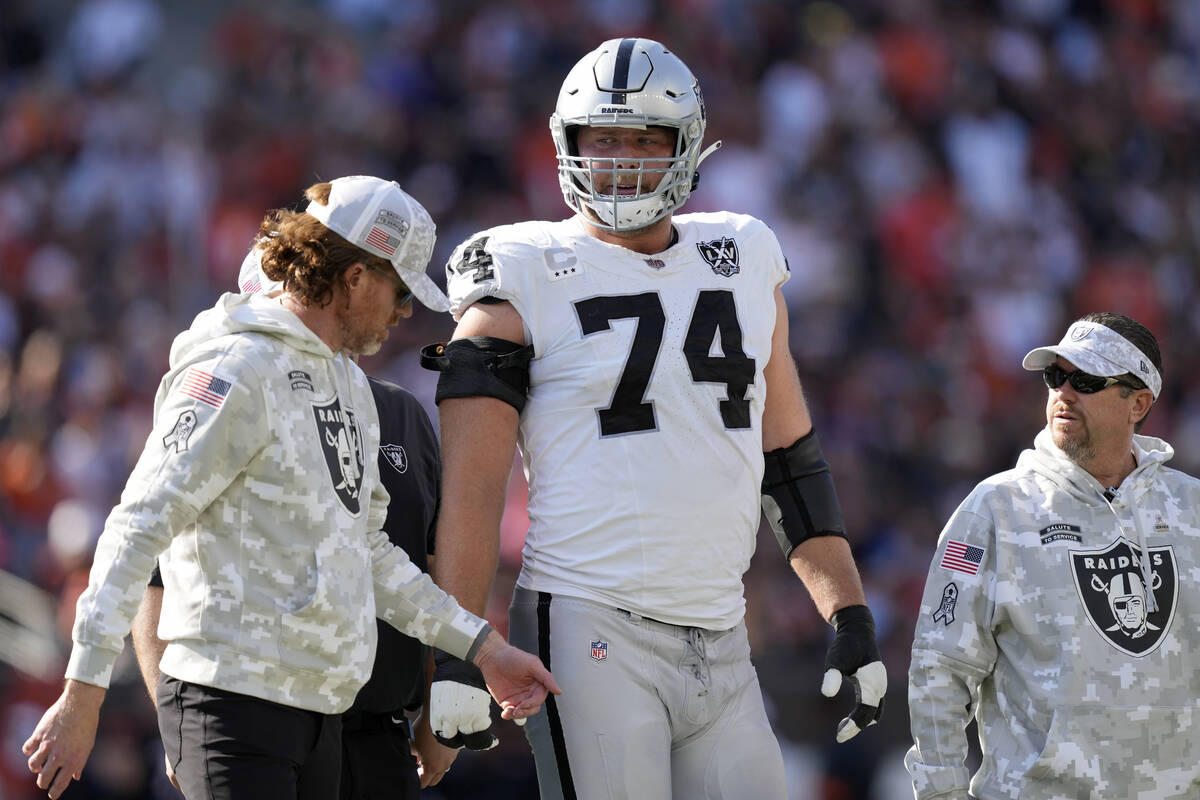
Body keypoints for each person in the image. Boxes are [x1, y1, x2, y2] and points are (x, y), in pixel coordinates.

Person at [421, 38, 885, 800]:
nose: (623, 159)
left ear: (689, 146)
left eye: (645, 138)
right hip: (588, 626)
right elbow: (472, 489)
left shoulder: (743, 252)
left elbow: (791, 460)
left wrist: (850, 614)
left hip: (722, 637)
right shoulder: (519, 269)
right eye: (602, 138)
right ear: (567, 144)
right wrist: (457, 650)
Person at [22, 175, 559, 800]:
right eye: (398, 290)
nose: (404, 312)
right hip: (233, 705)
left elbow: (372, 554)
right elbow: (137, 528)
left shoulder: (351, 387)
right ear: (355, 278)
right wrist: (83, 691)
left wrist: (486, 650)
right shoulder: (235, 369)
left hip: (320, 712)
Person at [129, 239, 464, 798]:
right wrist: (176, 721)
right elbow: (156, 578)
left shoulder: (400, 413)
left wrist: (443, 700)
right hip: (259, 713)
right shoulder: (230, 388)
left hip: (380, 730)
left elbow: (428, 565)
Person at [906, 312, 1200, 799]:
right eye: (1056, 376)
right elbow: (940, 667)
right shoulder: (994, 509)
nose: (1064, 392)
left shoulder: (1191, 508)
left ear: (1139, 403)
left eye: (1085, 380)